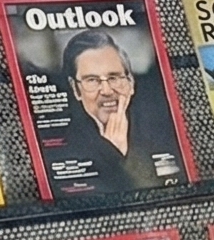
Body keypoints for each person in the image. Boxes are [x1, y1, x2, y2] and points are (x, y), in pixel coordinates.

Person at [55, 30, 178, 192]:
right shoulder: (63, 146)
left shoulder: (165, 128)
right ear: (76, 89)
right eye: (92, 80)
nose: (106, 90)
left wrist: (125, 157)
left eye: (113, 77)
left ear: (131, 82)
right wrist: (111, 155)